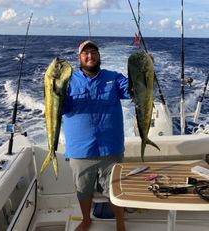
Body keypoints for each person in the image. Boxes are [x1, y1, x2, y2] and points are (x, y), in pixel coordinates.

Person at [63, 40, 129, 231]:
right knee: (82, 190)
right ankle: (86, 219)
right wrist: (53, 90)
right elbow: (59, 109)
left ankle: (120, 223)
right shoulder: (67, 81)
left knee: (115, 190)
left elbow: (132, 91)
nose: (90, 56)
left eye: (93, 52)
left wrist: (143, 72)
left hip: (111, 147)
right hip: (80, 149)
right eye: (85, 53)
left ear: (99, 56)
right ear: (79, 58)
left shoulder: (114, 78)